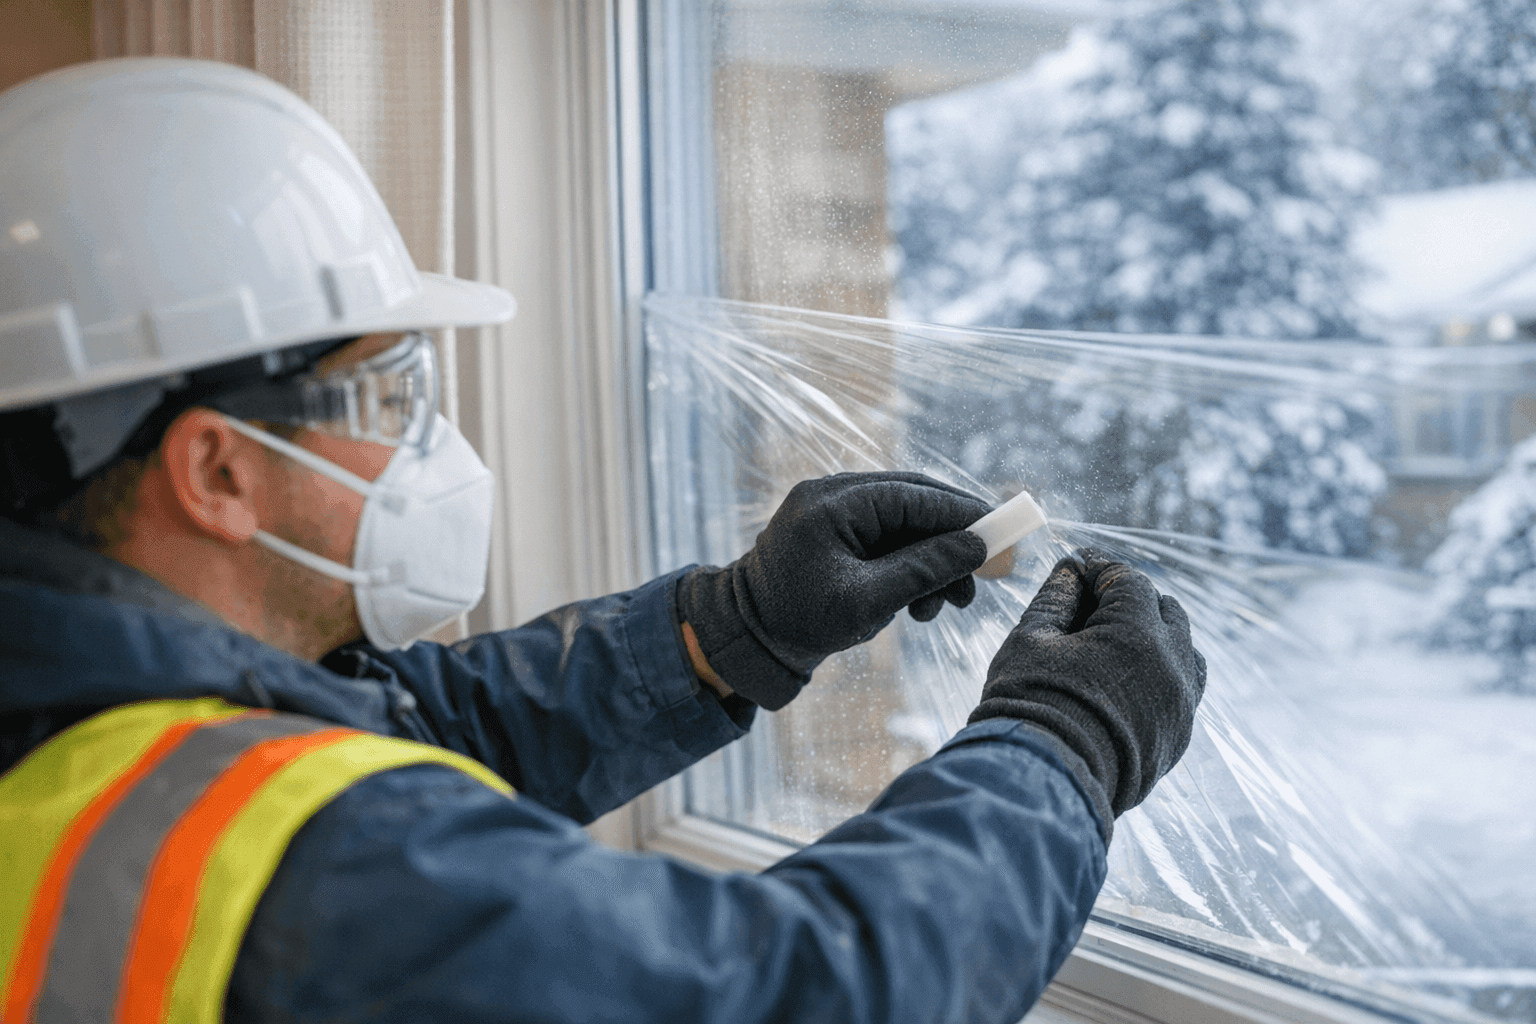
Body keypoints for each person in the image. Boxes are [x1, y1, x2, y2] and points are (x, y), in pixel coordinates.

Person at [0, 57, 1206, 1024]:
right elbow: (800, 989)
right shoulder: (301, 863)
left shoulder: (89, 719)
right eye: (384, 398)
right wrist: (1064, 742)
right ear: (218, 468)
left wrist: (726, 629)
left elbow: (405, 724)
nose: (426, 441)